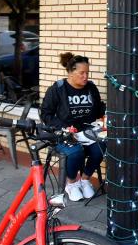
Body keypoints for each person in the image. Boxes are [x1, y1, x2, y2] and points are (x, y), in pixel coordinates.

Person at [40, 52, 106, 201]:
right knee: (76, 152)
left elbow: (98, 110)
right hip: (63, 134)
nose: (85, 76)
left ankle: (84, 179)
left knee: (102, 147)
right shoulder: (57, 89)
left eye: (87, 73)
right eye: (81, 73)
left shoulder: (91, 88)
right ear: (70, 72)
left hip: (87, 133)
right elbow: (45, 114)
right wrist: (64, 127)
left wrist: (107, 113)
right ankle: (71, 183)